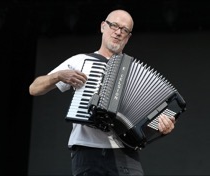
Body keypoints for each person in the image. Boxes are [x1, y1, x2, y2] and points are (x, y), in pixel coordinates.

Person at [29, 9, 176, 176]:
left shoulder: (136, 72)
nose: (118, 32)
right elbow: (34, 88)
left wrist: (160, 127)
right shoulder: (81, 61)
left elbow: (145, 124)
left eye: (124, 30)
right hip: (88, 152)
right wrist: (57, 76)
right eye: (114, 25)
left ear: (128, 37)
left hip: (125, 153)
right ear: (102, 27)